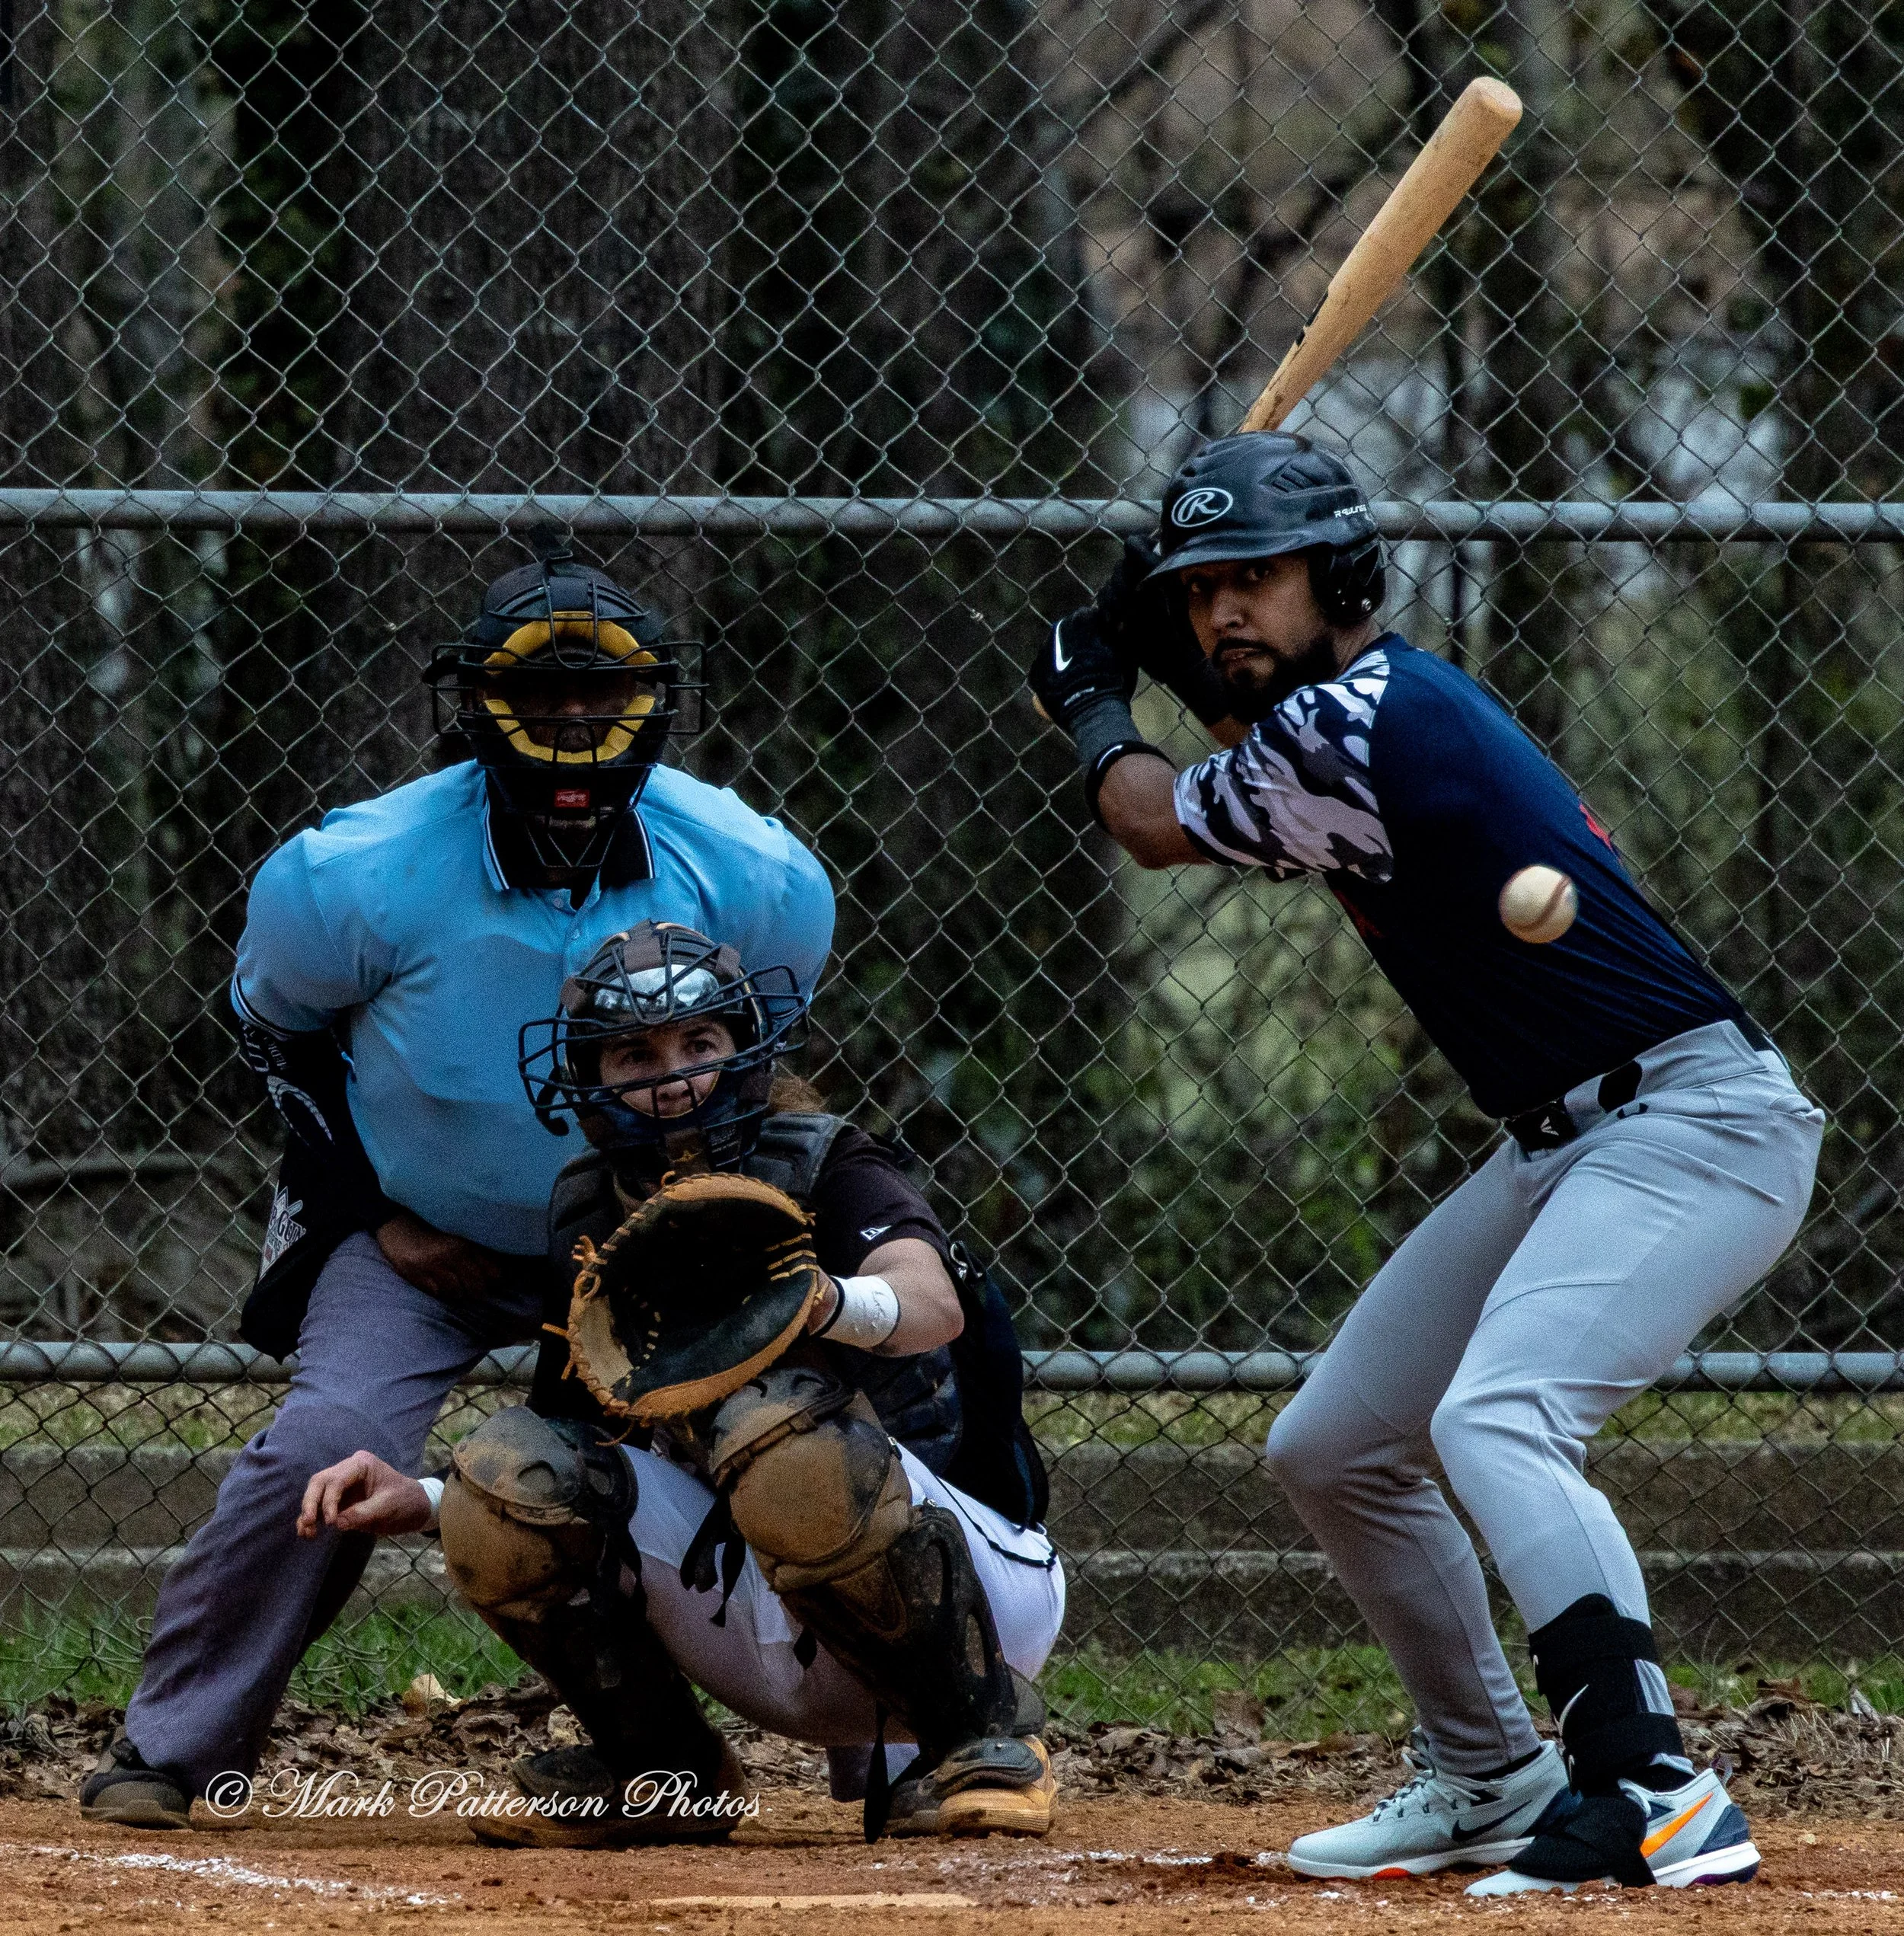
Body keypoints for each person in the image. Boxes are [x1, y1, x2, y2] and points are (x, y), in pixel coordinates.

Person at [1027, 432, 1823, 1895]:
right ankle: (1488, 1770)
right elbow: (1236, 754)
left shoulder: (1367, 715)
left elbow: (1149, 819)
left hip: (1695, 1126)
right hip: (1565, 1139)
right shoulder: (1345, 711)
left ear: (1339, 575)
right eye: (1199, 592)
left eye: (1253, 579)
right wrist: (1167, 657)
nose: (1222, 616)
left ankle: (1655, 1788)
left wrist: (1091, 697)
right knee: (1332, 1445)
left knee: (1502, 1418)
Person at [81, 544, 835, 1829]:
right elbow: (276, 1035)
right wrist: (376, 1215)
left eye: (609, 699)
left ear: (663, 704)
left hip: (633, 1245)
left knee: (625, 1477)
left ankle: (675, 1758)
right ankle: (174, 1744)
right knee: (326, 1444)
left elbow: (748, 1058)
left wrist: (670, 1245)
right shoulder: (354, 872)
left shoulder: (753, 868)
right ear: (476, 705)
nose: (579, 727)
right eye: (546, 702)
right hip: (419, 1236)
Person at [298, 922, 1064, 1845]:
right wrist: (422, 1496)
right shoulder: (587, 1204)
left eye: (700, 1043)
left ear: (743, 1048)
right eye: (635, 1053)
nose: (675, 1075)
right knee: (499, 1471)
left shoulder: (824, 1160)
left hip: (969, 1583)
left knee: (774, 1430)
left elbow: (930, 1301)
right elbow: (576, 1443)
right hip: (767, 1600)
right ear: (587, 1076)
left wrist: (819, 1301)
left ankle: (977, 1737)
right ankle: (664, 1771)